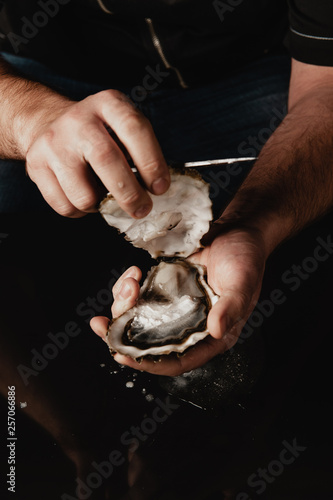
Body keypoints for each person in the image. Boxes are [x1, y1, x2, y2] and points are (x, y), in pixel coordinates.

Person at [1, 1, 333, 377]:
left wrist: (250, 224)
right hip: (34, 79)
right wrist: (30, 119)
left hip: (245, 72)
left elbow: (328, 83)